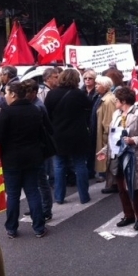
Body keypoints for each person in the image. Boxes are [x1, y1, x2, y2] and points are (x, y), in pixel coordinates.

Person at [97, 87, 138, 231]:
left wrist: (134, 140)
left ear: (123, 101)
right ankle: (129, 215)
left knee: (132, 187)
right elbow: (112, 136)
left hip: (133, 156)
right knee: (121, 188)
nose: (115, 102)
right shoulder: (116, 114)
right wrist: (105, 151)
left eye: (117, 99)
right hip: (117, 155)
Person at [0, 81, 47, 238]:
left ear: (13, 94)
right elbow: (41, 134)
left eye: (6, 93)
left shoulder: (7, 112)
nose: (4, 96)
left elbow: (0, 136)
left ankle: (12, 228)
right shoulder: (34, 109)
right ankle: (39, 227)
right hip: (33, 157)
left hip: (12, 159)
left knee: (12, 195)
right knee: (33, 191)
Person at [45, 69, 91, 205]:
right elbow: (89, 107)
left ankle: (59, 196)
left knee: (59, 166)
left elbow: (47, 114)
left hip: (58, 134)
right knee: (80, 165)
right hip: (78, 134)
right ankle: (84, 196)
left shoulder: (52, 94)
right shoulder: (79, 94)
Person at [21, 79, 54, 222]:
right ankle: (37, 206)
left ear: (34, 93)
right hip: (35, 147)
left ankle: (46, 210)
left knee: (41, 180)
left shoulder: (38, 107)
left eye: (27, 92)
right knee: (33, 181)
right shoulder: (31, 104)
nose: (24, 95)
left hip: (39, 147)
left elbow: (46, 127)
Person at [91, 76, 118, 193]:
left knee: (109, 161)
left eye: (98, 84)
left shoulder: (108, 100)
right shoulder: (102, 98)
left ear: (106, 86)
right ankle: (111, 183)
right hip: (103, 134)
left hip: (106, 136)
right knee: (107, 161)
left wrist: (107, 137)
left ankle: (113, 184)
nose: (95, 86)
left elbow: (109, 121)